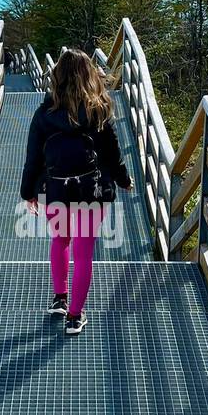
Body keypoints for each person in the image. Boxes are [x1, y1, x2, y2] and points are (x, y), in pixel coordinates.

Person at [20, 48, 132, 336]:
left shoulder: (45, 113)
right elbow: (112, 152)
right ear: (89, 75)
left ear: (57, 76)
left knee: (60, 239)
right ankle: (74, 316)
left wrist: (28, 192)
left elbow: (33, 156)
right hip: (90, 192)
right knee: (83, 253)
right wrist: (122, 179)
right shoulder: (98, 109)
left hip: (55, 189)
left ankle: (60, 297)